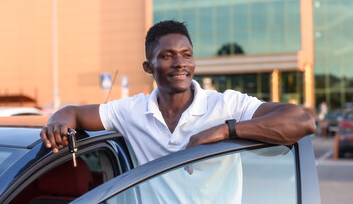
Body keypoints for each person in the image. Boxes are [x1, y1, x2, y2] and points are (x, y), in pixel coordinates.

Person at [40, 20, 316, 165]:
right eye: (168, 56)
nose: (180, 63)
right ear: (149, 66)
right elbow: (72, 112)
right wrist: (59, 121)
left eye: (187, 55)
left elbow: (302, 121)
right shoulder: (131, 110)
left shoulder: (225, 104)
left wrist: (223, 131)